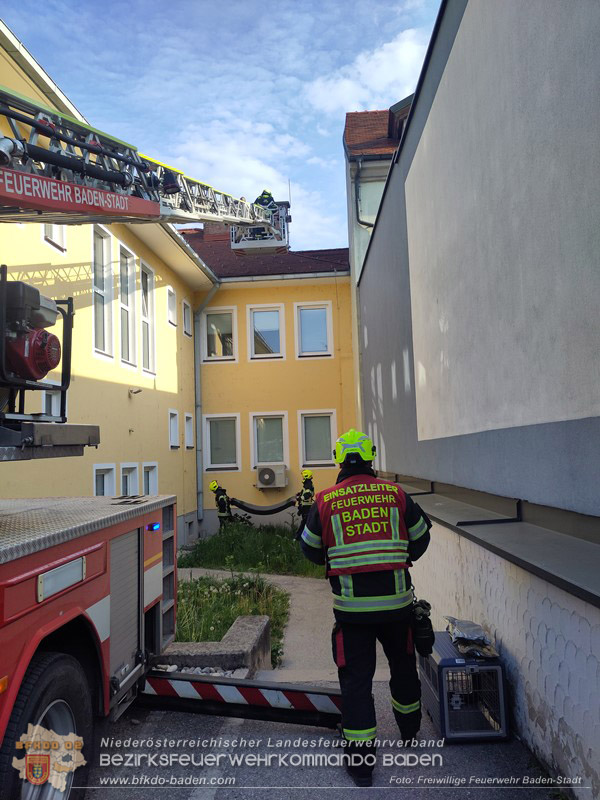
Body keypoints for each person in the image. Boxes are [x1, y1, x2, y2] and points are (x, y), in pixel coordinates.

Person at [299, 429, 431, 787]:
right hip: (397, 607)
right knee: (403, 668)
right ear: (372, 457)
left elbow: (309, 549)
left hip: (352, 612)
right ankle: (408, 734)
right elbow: (421, 537)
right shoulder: (396, 494)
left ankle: (361, 767)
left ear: (338, 458)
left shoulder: (325, 500)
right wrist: (400, 557)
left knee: (356, 682)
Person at [294, 469, 315, 540]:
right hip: (304, 507)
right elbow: (304, 491)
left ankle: (298, 537)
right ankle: (304, 537)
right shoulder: (307, 483)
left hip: (307, 507)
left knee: (304, 523)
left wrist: (300, 498)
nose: (302, 478)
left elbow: (308, 494)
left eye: (303, 476)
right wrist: (299, 494)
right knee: (305, 523)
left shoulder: (308, 484)